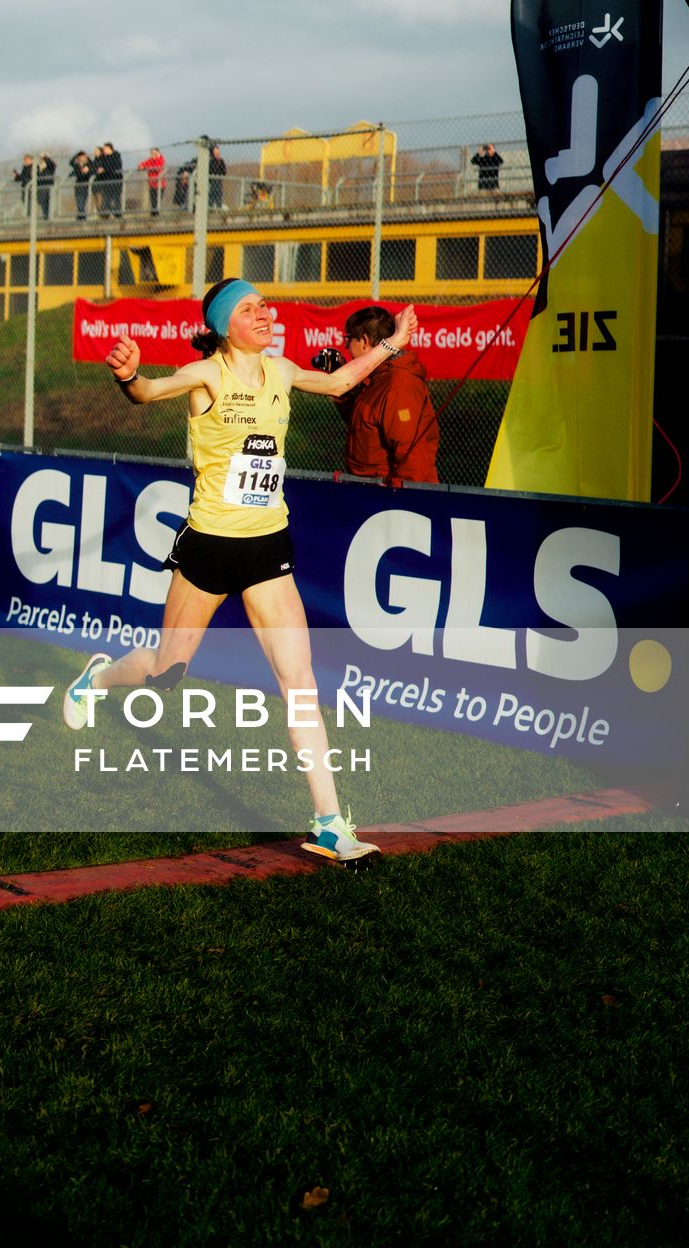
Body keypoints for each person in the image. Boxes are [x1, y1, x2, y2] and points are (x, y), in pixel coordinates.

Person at [63, 277, 418, 862]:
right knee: (164, 673)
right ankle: (96, 679)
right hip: (208, 547)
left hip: (267, 549)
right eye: (251, 309)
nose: (264, 314)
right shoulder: (207, 375)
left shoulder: (279, 371)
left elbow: (336, 380)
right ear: (225, 324)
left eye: (265, 306)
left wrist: (392, 343)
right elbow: (150, 391)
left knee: (298, 680)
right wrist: (128, 375)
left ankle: (329, 821)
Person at [340, 305, 440, 485]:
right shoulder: (377, 378)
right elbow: (366, 427)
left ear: (364, 341)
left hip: (388, 499)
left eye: (348, 340)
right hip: (369, 491)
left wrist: (396, 501)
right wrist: (341, 392)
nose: (346, 347)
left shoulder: (397, 385)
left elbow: (412, 456)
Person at [138, 146, 166, 215]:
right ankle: (153, 212)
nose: (152, 155)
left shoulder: (161, 159)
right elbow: (141, 165)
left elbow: (158, 167)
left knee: (157, 199)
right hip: (152, 184)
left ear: (158, 153)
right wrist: (141, 166)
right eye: (151, 153)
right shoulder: (150, 160)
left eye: (154, 153)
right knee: (153, 199)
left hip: (160, 184)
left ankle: (156, 212)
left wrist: (156, 158)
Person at [100, 141, 123, 216]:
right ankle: (105, 215)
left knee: (115, 197)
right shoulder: (103, 158)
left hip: (116, 180)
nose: (103, 150)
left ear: (109, 148)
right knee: (106, 198)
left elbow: (117, 166)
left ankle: (117, 214)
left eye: (105, 149)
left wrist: (105, 169)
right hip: (106, 180)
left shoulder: (116, 156)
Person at [70, 150, 93, 220]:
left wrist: (87, 158)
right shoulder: (77, 165)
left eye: (82, 157)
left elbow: (92, 165)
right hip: (78, 184)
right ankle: (81, 214)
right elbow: (71, 162)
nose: (81, 159)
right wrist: (77, 156)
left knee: (82, 200)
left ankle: (82, 214)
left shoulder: (88, 164)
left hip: (85, 184)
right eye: (80, 157)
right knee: (78, 200)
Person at [36, 152, 57, 220]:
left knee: (49, 201)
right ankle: (45, 216)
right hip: (41, 186)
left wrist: (46, 157)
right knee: (43, 202)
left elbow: (52, 165)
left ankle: (49, 216)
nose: (42, 159)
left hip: (48, 185)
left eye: (44, 158)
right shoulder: (39, 166)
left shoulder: (50, 165)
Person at [208, 141, 227, 210]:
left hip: (218, 181)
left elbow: (223, 172)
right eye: (216, 153)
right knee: (211, 196)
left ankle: (218, 208)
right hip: (211, 182)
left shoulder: (221, 161)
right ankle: (210, 208)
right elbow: (210, 171)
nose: (217, 154)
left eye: (218, 152)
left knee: (218, 195)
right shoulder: (210, 161)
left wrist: (219, 162)